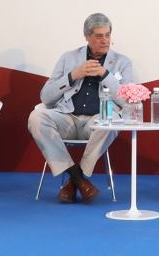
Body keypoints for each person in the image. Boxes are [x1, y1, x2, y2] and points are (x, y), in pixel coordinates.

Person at [29, 13, 133, 204]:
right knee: (36, 117)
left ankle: (75, 179)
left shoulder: (122, 62)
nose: (105, 41)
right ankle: (78, 177)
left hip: (97, 119)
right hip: (67, 117)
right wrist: (73, 75)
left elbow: (127, 100)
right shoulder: (68, 58)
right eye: (99, 36)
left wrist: (105, 75)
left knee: (110, 121)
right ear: (86, 36)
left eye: (108, 35)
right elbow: (45, 96)